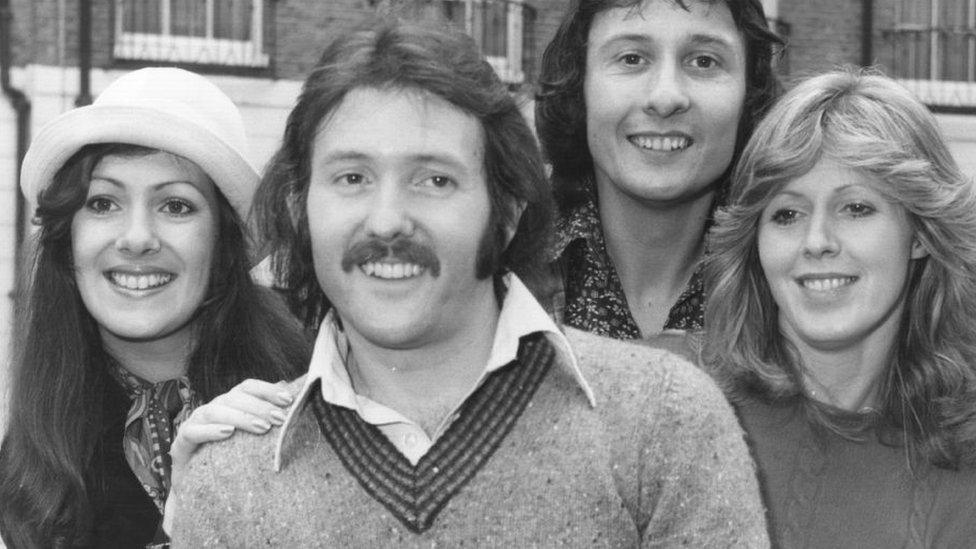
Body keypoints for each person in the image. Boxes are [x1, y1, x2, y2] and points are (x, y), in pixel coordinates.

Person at [169, 17, 768, 547]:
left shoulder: (666, 422)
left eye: (434, 181)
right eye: (352, 177)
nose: (387, 221)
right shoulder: (228, 486)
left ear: (506, 211)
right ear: (301, 210)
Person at [0, 68, 309, 548]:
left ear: (224, 245)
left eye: (176, 206)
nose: (138, 238)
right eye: (103, 203)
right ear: (68, 239)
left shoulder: (311, 403)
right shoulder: (24, 468)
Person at [703, 68, 976, 548]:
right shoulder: (670, 397)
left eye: (856, 208)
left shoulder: (962, 459)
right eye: (786, 214)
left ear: (921, 234)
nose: (817, 242)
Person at [534, 0, 782, 339]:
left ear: (748, 94)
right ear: (581, 86)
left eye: (704, 61)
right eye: (632, 58)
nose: (666, 98)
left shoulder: (790, 278)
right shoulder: (501, 262)